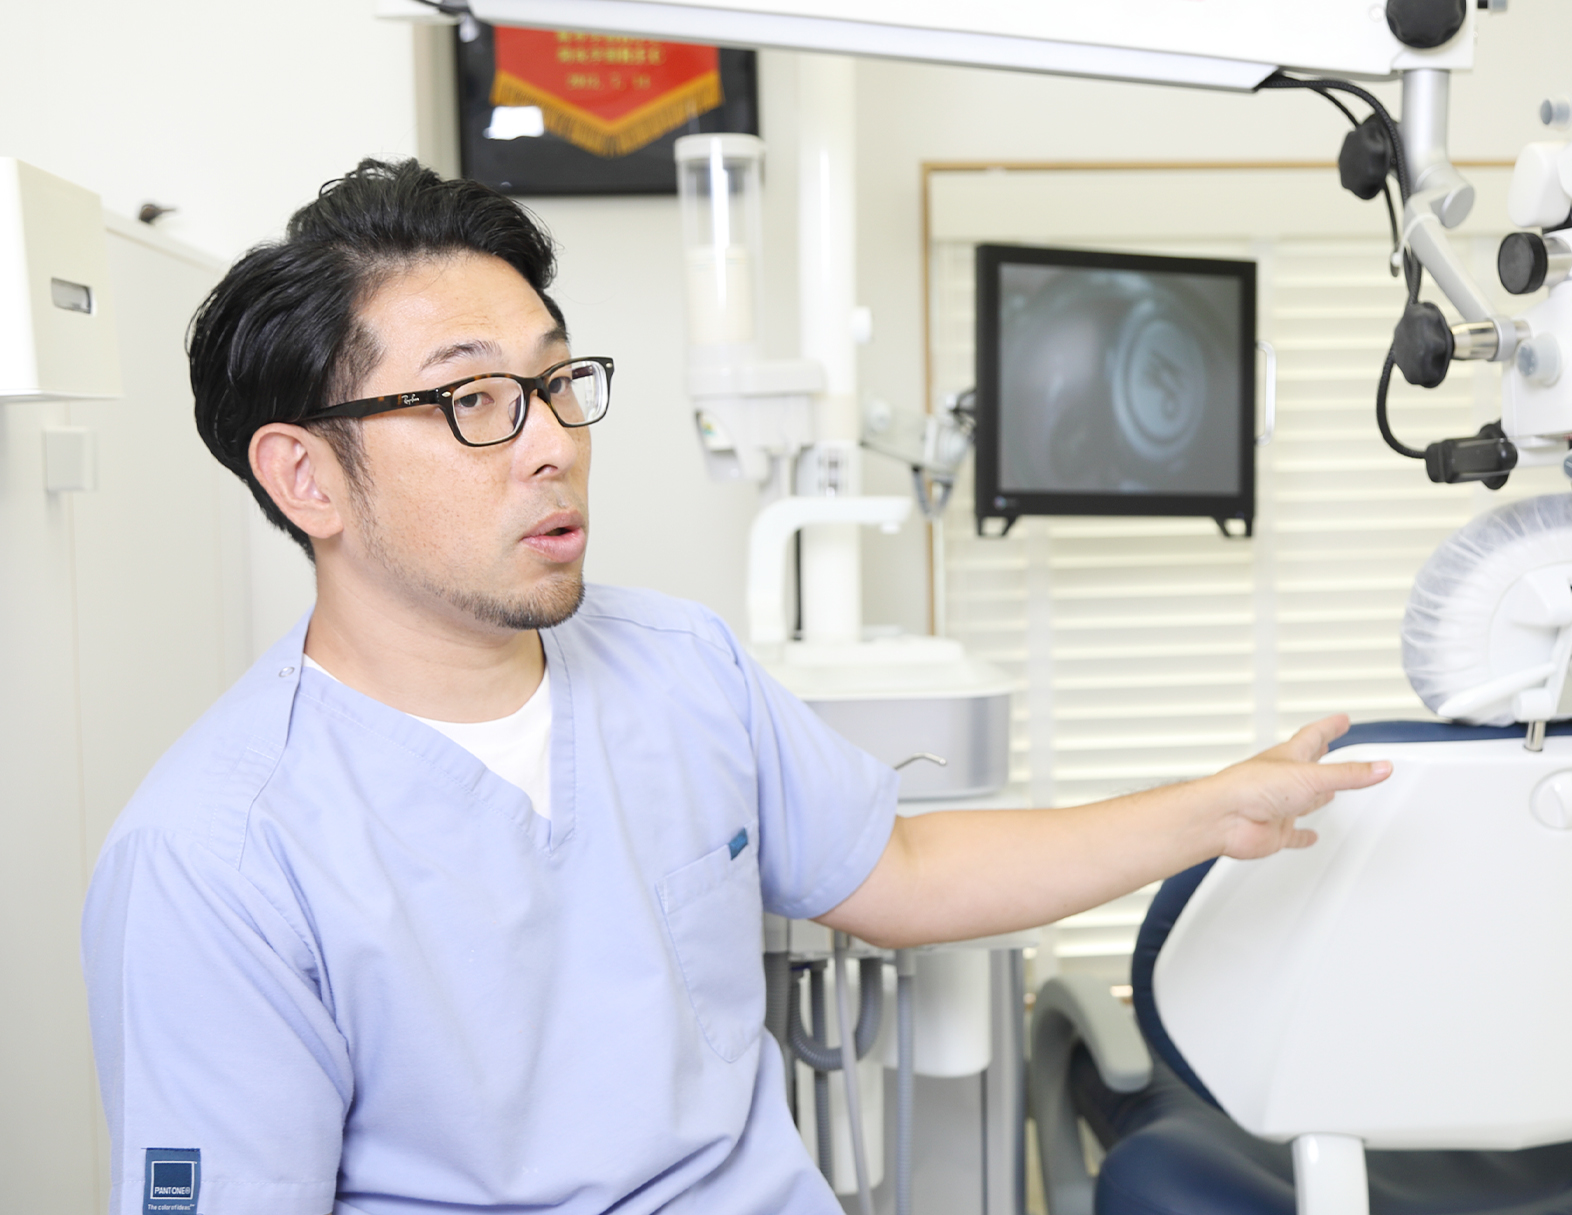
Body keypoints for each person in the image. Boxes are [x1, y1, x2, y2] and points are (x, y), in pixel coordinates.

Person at [81, 159, 1390, 1215]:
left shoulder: (677, 663)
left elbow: (900, 875)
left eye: (556, 382)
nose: (551, 443)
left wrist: (1210, 810)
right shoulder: (215, 861)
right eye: (474, 399)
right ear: (307, 477)